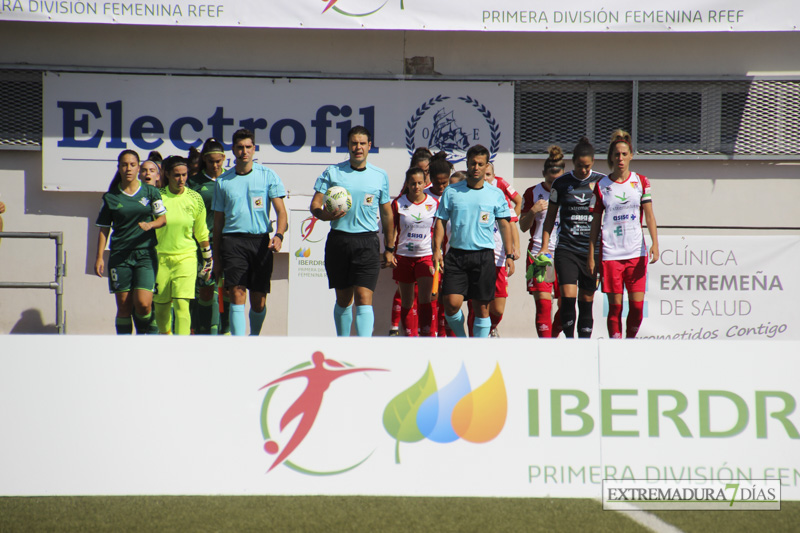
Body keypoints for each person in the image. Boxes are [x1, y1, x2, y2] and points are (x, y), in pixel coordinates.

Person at [310, 125, 394, 337]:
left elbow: (387, 214)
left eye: (362, 143)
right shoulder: (333, 172)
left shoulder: (380, 175)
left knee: (364, 297)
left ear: (369, 146)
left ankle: (363, 348)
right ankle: (343, 344)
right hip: (339, 241)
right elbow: (315, 205)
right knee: (344, 299)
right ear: (348, 146)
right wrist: (325, 215)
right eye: (354, 143)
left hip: (367, 242)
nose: (358, 147)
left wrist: (390, 247)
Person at [432, 145, 514, 338]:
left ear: (487, 166)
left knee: (482, 309)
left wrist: (509, 254)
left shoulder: (495, 194)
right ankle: (463, 341)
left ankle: (479, 349)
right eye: (472, 163)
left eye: (480, 164)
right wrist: (437, 250)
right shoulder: (452, 192)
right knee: (451, 305)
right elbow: (441, 222)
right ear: (467, 164)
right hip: (456, 255)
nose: (476, 167)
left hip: (484, 256)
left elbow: (505, 225)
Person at [212, 129, 287, 336]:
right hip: (232, 242)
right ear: (233, 150)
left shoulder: (268, 176)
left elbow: (282, 213)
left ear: (254, 149)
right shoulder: (223, 181)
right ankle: (239, 346)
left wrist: (279, 235)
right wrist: (217, 258)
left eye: (248, 147)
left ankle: (254, 339)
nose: (244, 151)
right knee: (237, 292)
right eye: (240, 147)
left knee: (259, 300)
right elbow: (218, 224)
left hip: (260, 242)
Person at [588, 130, 660, 338]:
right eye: (616, 154)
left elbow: (649, 215)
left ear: (631, 155)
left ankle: (630, 341)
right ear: (611, 157)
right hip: (611, 255)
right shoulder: (601, 186)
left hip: (636, 253)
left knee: (637, 308)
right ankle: (616, 346)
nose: (620, 158)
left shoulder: (641, 182)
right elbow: (595, 224)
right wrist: (592, 254)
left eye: (624, 154)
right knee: (615, 309)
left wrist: (655, 243)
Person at [539, 137, 606, 338]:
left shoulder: (602, 182)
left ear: (593, 162)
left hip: (591, 251)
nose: (583, 170)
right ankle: (569, 342)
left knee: (586, 302)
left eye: (587, 166)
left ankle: (584, 345)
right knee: (567, 299)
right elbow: (550, 217)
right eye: (579, 166)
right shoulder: (561, 183)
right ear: (573, 162)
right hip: (566, 249)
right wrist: (544, 246)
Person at [95, 149, 166, 334]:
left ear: (138, 168)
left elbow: (162, 219)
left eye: (132, 165)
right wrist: (100, 257)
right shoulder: (110, 197)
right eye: (124, 165)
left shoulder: (151, 191)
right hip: (120, 255)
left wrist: (151, 225)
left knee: (143, 303)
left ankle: (147, 336)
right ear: (118, 168)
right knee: (124, 307)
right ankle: (124, 347)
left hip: (145, 254)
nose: (128, 168)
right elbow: (104, 228)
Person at [152, 156, 210, 335]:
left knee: (181, 305)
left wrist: (208, 259)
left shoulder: (195, 198)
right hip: (160, 259)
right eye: (177, 175)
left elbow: (201, 232)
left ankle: (182, 348)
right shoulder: (157, 197)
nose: (181, 179)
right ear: (167, 174)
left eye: (184, 175)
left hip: (186, 258)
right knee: (161, 310)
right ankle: (166, 343)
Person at [520, 145, 565, 338]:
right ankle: (545, 347)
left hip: (565, 254)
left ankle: (552, 338)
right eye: (550, 179)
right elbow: (522, 226)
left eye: (558, 179)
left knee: (567, 308)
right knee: (544, 305)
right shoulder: (532, 192)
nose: (554, 183)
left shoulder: (571, 191)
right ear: (543, 173)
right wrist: (532, 211)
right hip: (540, 255)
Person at [388, 147, 433, 336]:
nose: (416, 187)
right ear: (407, 183)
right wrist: (389, 251)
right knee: (406, 302)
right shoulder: (398, 203)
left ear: (425, 183)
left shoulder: (434, 203)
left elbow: (438, 230)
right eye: (413, 183)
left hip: (425, 256)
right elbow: (391, 229)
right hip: (404, 256)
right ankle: (408, 336)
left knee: (425, 299)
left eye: (420, 183)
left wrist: (439, 252)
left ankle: (425, 334)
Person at [188, 138, 229, 335]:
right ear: (204, 160)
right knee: (206, 289)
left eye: (218, 161)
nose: (215, 165)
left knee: (229, 290)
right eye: (211, 161)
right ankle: (205, 333)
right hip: (204, 244)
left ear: (223, 159)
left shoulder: (231, 179)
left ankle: (227, 332)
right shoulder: (194, 183)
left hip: (229, 243)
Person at [478, 162, 522, 337]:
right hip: (480, 258)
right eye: (484, 175)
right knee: (479, 305)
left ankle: (491, 328)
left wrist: (514, 250)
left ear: (494, 176)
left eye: (489, 175)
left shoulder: (500, 198)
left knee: (498, 307)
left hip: (499, 259)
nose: (486, 178)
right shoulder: (475, 197)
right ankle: (478, 336)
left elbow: (511, 225)